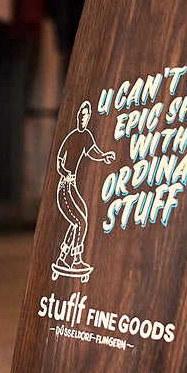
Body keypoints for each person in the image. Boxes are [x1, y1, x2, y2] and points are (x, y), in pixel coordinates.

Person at [54, 100, 114, 275]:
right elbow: (59, 163)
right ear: (77, 117)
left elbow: (93, 151)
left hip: (72, 188)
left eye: (86, 117)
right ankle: (76, 259)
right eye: (81, 116)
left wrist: (104, 156)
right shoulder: (71, 137)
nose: (83, 119)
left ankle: (63, 257)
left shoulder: (86, 135)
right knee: (80, 221)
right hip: (65, 187)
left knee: (79, 220)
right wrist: (65, 173)